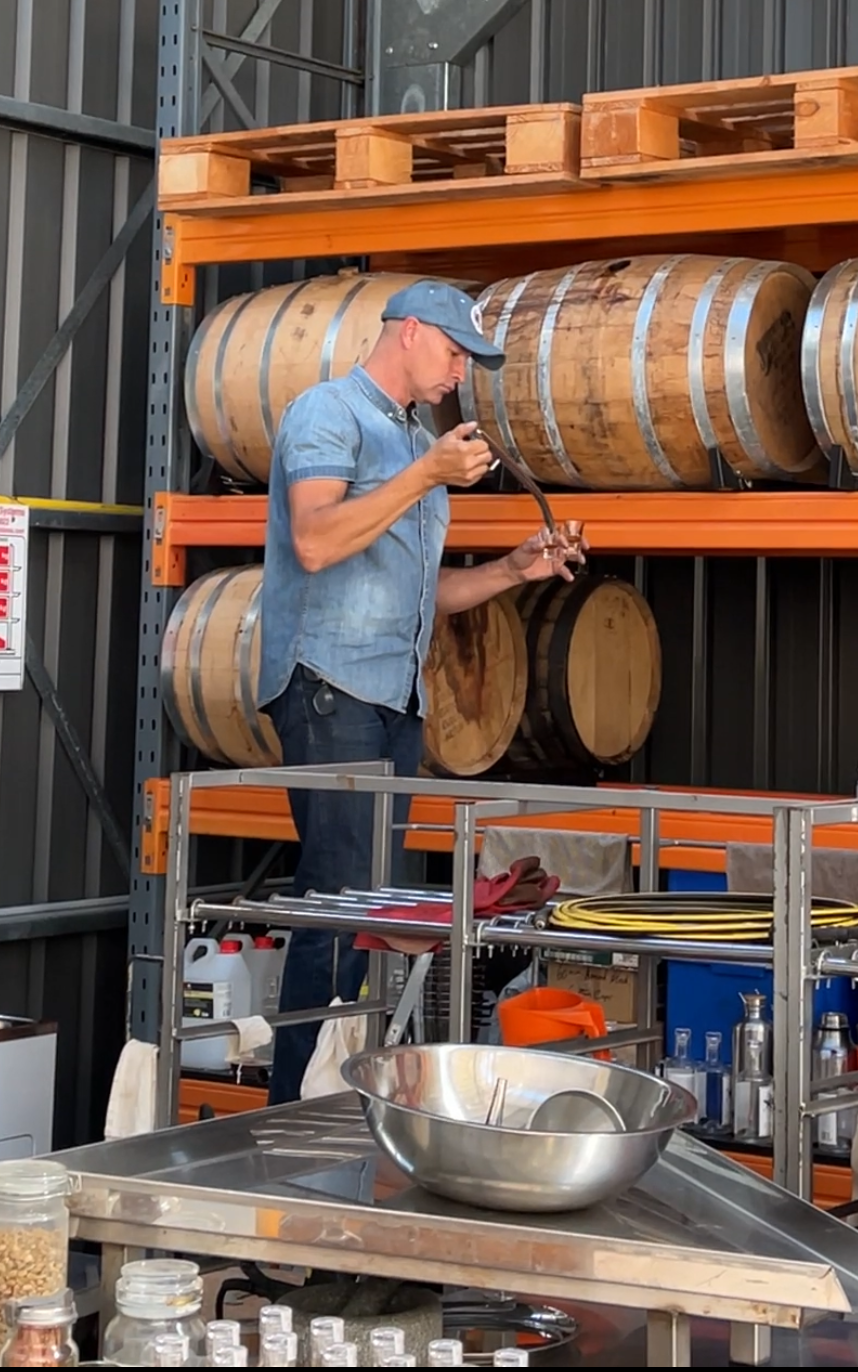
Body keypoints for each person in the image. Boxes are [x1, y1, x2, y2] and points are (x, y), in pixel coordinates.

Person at [256, 279, 584, 1105]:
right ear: (407, 332)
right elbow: (315, 540)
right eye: (453, 352)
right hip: (328, 687)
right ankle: (297, 1110)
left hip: (394, 699)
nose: (459, 373)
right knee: (340, 908)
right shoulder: (328, 413)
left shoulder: (414, 441)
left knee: (368, 914)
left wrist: (515, 569)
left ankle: (338, 1095)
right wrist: (427, 472)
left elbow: (421, 593)